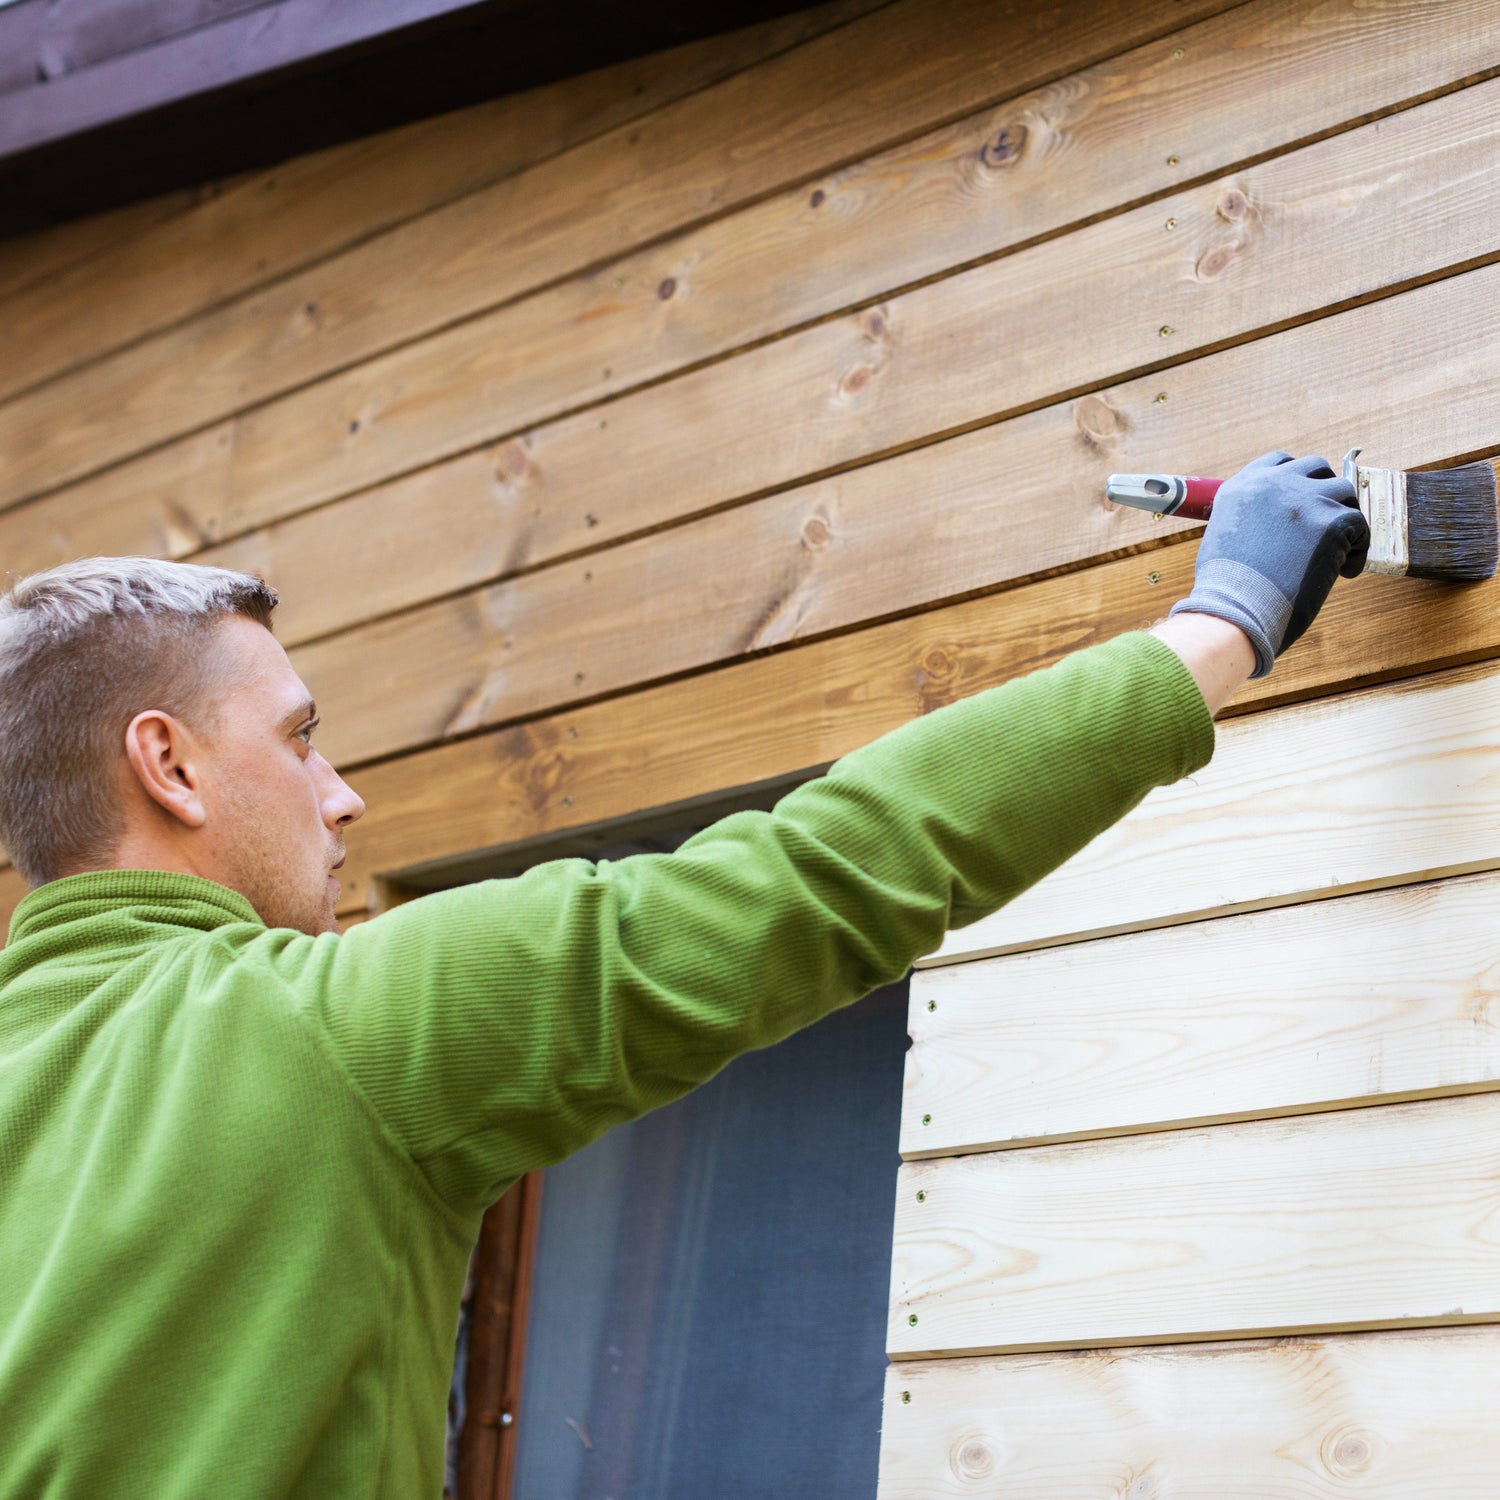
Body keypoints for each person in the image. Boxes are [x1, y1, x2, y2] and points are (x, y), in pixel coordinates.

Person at [0, 452, 1367, 1497]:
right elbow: (816, 875)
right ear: (169, 764)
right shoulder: (341, 1031)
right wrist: (1224, 618)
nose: (342, 794)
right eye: (300, 741)